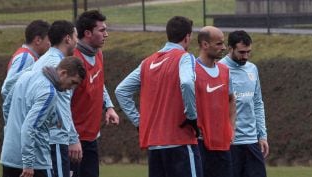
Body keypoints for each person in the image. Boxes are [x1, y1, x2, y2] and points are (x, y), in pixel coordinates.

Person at [115, 16, 201, 177]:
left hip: (155, 145)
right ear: (187, 36)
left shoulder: (147, 62)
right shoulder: (184, 57)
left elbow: (121, 90)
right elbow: (188, 83)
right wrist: (192, 116)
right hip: (180, 141)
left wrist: (139, 121)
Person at [0, 56, 86, 177]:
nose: (70, 89)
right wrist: (28, 163)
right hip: (35, 163)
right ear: (63, 73)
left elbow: (6, 105)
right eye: (72, 82)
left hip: (9, 157)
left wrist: (12, 134)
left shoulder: (27, 76)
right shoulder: (49, 93)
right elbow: (29, 128)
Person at [70, 10, 120, 177]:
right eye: (102, 30)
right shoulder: (73, 60)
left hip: (91, 137)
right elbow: (62, 102)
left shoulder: (98, 54)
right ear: (87, 33)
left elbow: (99, 83)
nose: (106, 34)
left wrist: (109, 106)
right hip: (73, 140)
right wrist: (72, 138)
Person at [219, 30, 268, 177]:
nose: (245, 56)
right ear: (230, 48)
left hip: (252, 142)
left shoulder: (252, 69)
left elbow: (258, 103)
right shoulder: (219, 69)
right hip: (230, 144)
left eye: (248, 52)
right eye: (241, 52)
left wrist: (262, 135)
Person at [195, 26, 236, 177]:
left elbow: (231, 99)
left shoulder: (225, 71)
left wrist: (231, 127)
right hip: (200, 144)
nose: (224, 47)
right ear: (205, 45)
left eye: (223, 43)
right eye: (219, 44)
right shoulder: (191, 70)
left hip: (222, 144)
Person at [1, 20, 50, 104]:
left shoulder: (30, 56)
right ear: (38, 40)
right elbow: (7, 89)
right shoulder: (26, 57)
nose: (50, 44)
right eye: (49, 40)